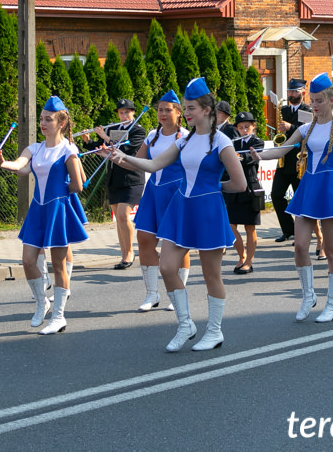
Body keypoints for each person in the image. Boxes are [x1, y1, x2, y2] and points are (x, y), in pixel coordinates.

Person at [109, 78, 245, 351]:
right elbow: (153, 164)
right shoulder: (185, 140)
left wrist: (212, 189)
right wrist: (120, 157)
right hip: (181, 208)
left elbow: (239, 184)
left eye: (192, 107)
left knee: (211, 275)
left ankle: (215, 331)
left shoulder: (221, 141)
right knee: (167, 267)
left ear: (207, 109)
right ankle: (186, 324)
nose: (188, 112)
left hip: (207, 211)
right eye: (186, 107)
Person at [251, 73, 333, 323]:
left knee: (332, 250)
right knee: (300, 246)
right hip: (309, 188)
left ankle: (332, 304)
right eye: (312, 100)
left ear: (332, 101)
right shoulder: (305, 128)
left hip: (330, 191)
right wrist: (261, 155)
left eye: (319, 100)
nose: (314, 104)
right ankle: (308, 295)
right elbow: (285, 148)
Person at [0, 96, 87, 334]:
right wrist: (3, 163)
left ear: (61, 123)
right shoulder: (34, 148)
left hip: (57, 209)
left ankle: (59, 316)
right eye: (42, 119)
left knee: (58, 265)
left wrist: (59, 193)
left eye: (49, 119)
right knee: (27, 260)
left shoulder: (68, 149)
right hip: (37, 209)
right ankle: (41, 303)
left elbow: (78, 185)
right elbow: (21, 167)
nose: (43, 124)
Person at [113, 90, 190, 312]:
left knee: (177, 244)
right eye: (160, 110)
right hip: (153, 193)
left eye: (168, 110)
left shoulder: (186, 137)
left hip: (176, 195)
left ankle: (178, 292)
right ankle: (151, 294)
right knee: (144, 239)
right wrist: (115, 156)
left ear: (178, 112)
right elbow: (137, 162)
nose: (163, 114)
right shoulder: (151, 135)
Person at [84, 99, 145, 270]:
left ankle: (130, 253)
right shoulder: (113, 128)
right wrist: (88, 141)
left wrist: (105, 136)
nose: (124, 115)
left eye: (127, 112)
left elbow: (127, 151)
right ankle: (124, 253)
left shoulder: (138, 131)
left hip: (132, 178)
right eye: (121, 112)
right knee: (118, 218)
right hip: (114, 179)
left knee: (124, 214)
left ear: (133, 112)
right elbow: (99, 147)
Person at [225, 111, 265, 275]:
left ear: (253, 127)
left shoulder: (258, 142)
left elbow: (249, 159)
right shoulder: (233, 143)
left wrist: (235, 157)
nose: (244, 130)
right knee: (230, 225)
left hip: (250, 188)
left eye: (247, 127)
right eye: (241, 127)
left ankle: (249, 261)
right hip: (234, 189)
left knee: (250, 227)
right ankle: (241, 256)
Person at [271, 79, 309, 243]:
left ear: (303, 93)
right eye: (290, 91)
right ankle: (289, 230)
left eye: (295, 92)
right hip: (284, 160)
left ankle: (302, 233)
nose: (292, 95)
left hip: (299, 160)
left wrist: (290, 127)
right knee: (276, 195)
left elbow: (307, 133)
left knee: (300, 199)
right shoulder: (284, 110)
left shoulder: (307, 111)